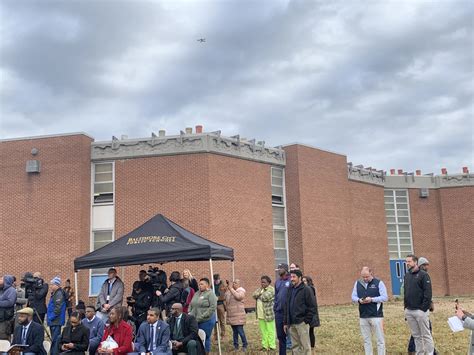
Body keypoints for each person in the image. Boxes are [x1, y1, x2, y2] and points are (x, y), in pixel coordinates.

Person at [351, 267, 388, 355]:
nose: (365, 279)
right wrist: (359, 300)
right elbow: (353, 297)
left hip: (376, 315)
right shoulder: (357, 283)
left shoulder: (379, 283)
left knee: (380, 340)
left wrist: (372, 299)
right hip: (363, 316)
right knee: (366, 340)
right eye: (363, 277)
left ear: (371, 273)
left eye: (367, 277)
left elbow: (385, 297)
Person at [404, 254, 434, 355]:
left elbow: (428, 293)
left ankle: (429, 353)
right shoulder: (407, 275)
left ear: (415, 262)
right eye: (406, 261)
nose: (407, 263)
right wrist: (405, 308)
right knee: (416, 336)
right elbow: (406, 292)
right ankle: (419, 353)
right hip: (409, 310)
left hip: (420, 311)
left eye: (409, 261)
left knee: (426, 335)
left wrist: (423, 309)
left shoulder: (423, 275)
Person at [283, 269, 317, 355]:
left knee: (305, 347)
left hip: (302, 323)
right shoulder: (290, 289)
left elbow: (312, 307)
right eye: (291, 277)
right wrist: (286, 322)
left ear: (300, 278)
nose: (292, 279)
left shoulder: (306, 290)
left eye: (294, 277)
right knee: (295, 347)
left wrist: (306, 320)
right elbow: (287, 306)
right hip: (292, 323)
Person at [189, 278, 217, 354]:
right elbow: (191, 304)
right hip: (196, 320)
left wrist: (202, 316)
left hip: (206, 320)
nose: (200, 286)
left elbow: (212, 307)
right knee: (196, 337)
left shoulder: (210, 294)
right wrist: (189, 313)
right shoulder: (197, 293)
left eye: (202, 284)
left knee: (205, 337)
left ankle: (206, 352)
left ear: (207, 285)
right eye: (199, 284)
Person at [252, 276, 276, 351]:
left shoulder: (271, 289)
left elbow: (265, 297)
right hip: (260, 314)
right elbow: (253, 295)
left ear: (268, 282)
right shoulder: (260, 289)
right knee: (263, 331)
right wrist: (259, 294)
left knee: (270, 330)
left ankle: (272, 346)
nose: (262, 283)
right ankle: (265, 346)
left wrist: (259, 295)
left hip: (268, 314)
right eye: (261, 282)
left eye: (264, 282)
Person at [224, 279, 248, 351]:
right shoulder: (230, 292)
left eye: (236, 283)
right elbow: (226, 301)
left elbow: (238, 297)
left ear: (239, 284)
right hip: (231, 316)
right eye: (233, 282)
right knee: (234, 332)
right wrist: (226, 290)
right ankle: (236, 346)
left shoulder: (241, 291)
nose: (234, 284)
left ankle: (245, 345)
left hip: (239, 316)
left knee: (240, 331)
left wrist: (231, 289)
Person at [274, 263, 291, 355]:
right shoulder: (277, 282)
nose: (278, 270)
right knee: (281, 336)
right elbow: (276, 296)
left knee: (292, 336)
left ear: (285, 269)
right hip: (279, 313)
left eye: (280, 268)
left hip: (289, 313)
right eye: (278, 268)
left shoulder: (291, 280)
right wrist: (275, 308)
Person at [47, 276, 67, 355]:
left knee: (55, 339)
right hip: (53, 320)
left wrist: (51, 317)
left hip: (56, 320)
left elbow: (58, 308)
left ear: (57, 285)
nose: (51, 286)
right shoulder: (55, 293)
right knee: (53, 339)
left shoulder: (58, 294)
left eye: (52, 284)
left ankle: (54, 353)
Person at [302, 276, 320, 349]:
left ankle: (312, 346)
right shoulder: (304, 289)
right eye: (302, 281)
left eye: (305, 281)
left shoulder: (310, 289)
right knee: (308, 331)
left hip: (311, 314)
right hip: (308, 313)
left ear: (308, 282)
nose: (303, 283)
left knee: (310, 331)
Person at [0, 275, 17, 340]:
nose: (0, 280)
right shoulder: (1, 290)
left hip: (5, 319)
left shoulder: (11, 290)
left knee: (3, 337)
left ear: (6, 281)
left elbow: (10, 302)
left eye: (1, 279)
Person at [212, 274, 226, 341]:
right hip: (214, 304)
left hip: (221, 304)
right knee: (215, 321)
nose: (216, 281)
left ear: (219, 279)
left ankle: (223, 335)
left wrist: (218, 298)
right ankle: (216, 335)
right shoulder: (212, 285)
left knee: (222, 321)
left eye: (217, 279)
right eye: (215, 280)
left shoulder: (223, 285)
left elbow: (224, 295)